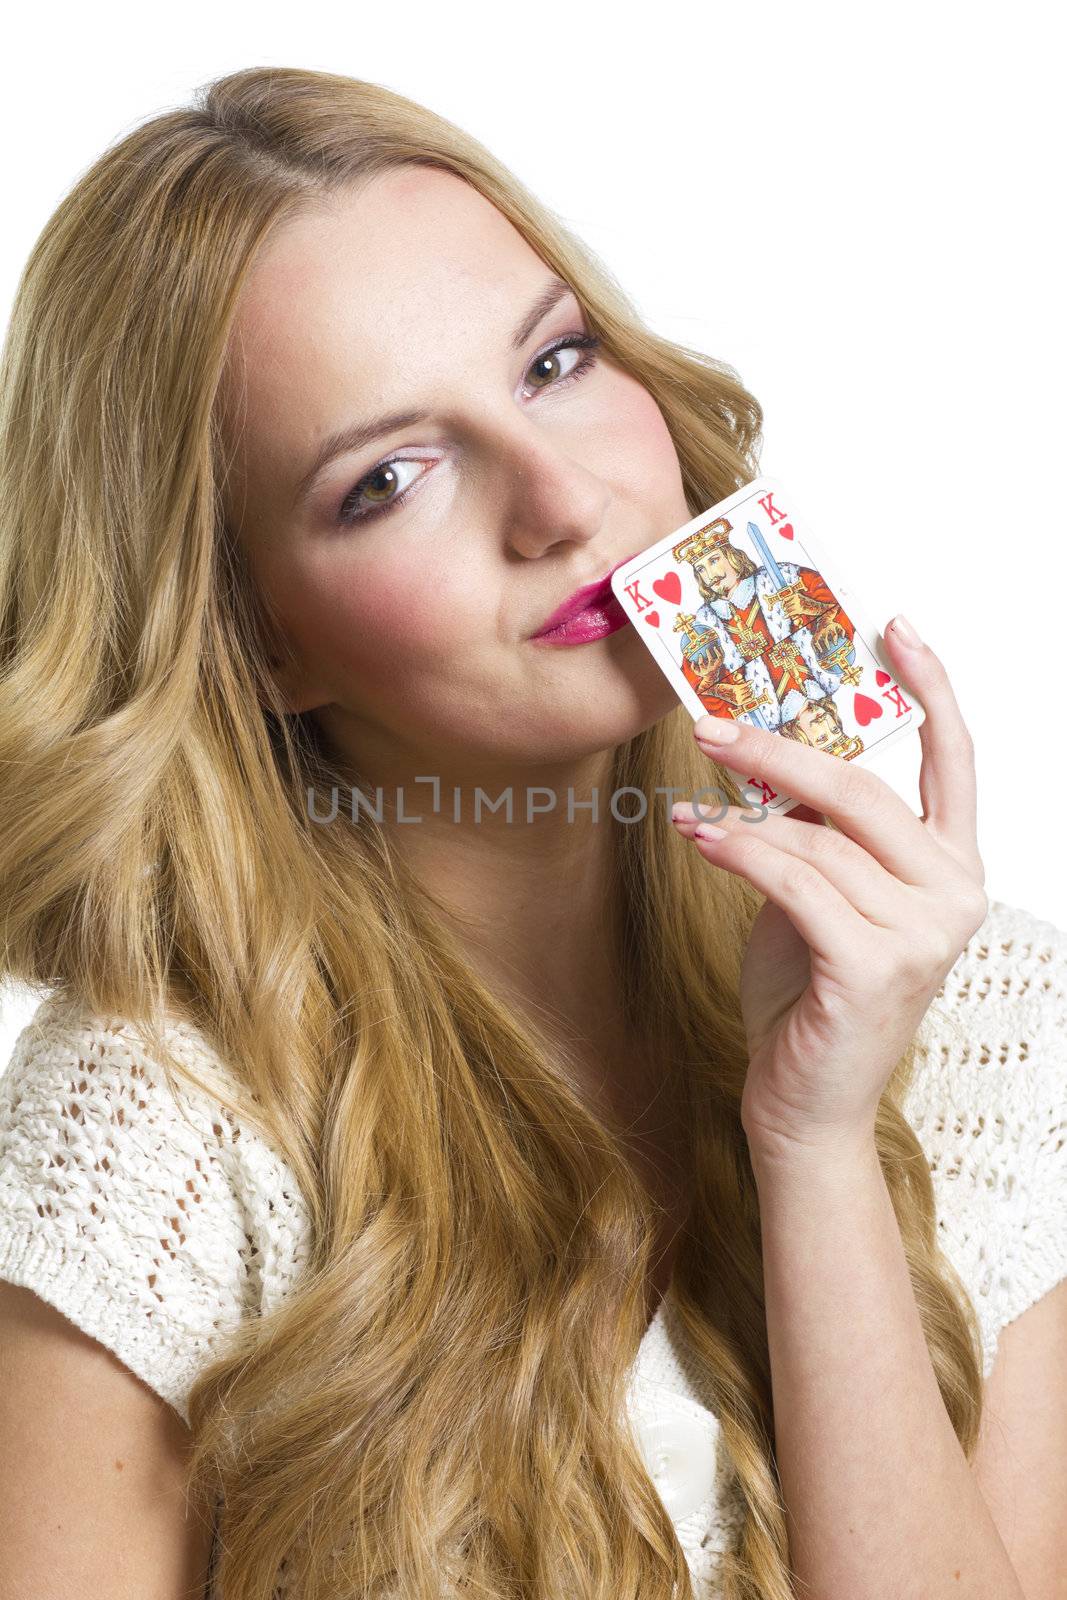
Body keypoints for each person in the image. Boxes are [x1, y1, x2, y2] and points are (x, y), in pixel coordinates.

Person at [0, 64, 1064, 1600]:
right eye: (388, 479)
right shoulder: (161, 1131)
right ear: (259, 643)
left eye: (555, 362)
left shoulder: (988, 1024)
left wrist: (817, 1147)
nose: (562, 500)